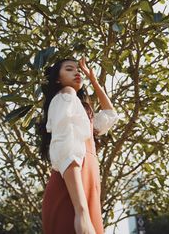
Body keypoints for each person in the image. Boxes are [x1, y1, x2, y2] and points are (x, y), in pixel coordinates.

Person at [39, 57, 120, 234]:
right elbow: (67, 149)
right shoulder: (66, 95)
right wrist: (81, 211)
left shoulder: (81, 108)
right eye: (69, 69)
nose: (76, 72)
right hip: (71, 191)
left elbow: (110, 115)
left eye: (78, 70)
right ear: (57, 79)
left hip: (85, 188)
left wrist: (94, 80)